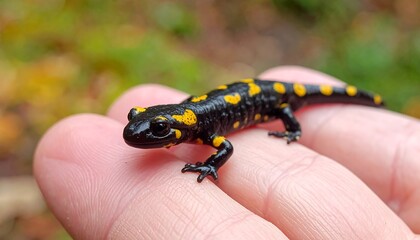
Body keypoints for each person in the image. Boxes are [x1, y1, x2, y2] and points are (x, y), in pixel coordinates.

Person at [34, 66, 420, 239]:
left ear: (177, 128)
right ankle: (369, 97)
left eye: (158, 130)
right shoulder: (191, 122)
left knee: (289, 106)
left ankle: (363, 100)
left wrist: (211, 166)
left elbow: (227, 146)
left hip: (271, 97)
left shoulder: (204, 133)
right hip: (245, 93)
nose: (140, 132)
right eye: (145, 122)